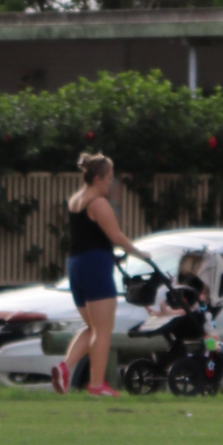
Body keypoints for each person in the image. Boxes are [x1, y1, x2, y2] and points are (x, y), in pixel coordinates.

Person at [52, 152, 151, 397]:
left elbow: (89, 236)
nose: (111, 183)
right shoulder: (97, 203)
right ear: (98, 178)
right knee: (103, 329)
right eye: (109, 178)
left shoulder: (76, 200)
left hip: (76, 264)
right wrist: (141, 254)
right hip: (95, 265)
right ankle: (96, 384)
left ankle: (65, 367)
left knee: (92, 326)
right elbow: (115, 236)